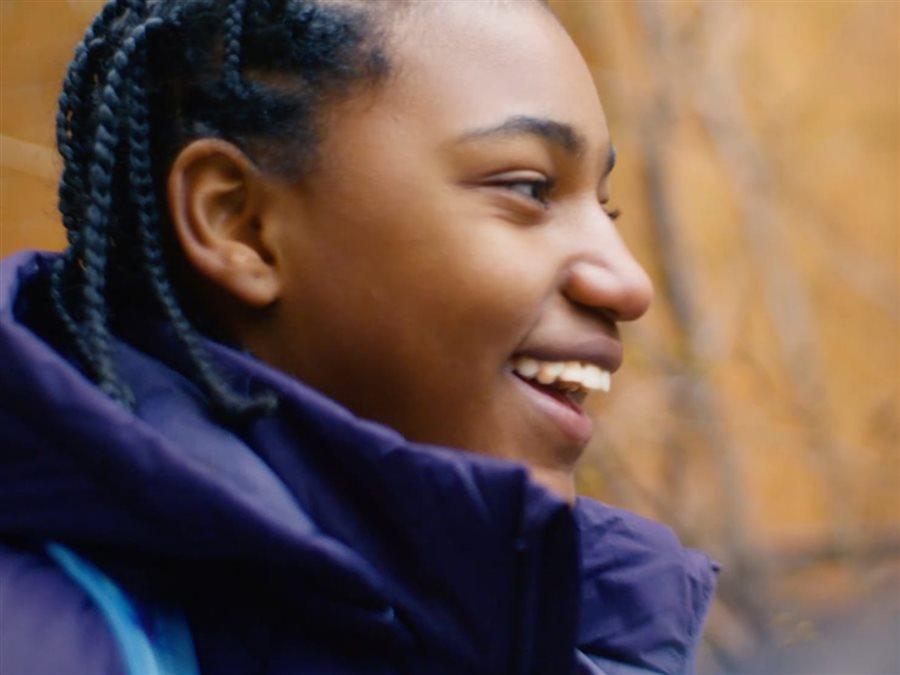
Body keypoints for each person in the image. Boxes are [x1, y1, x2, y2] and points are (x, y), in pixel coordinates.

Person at [0, 0, 718, 673]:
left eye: (605, 205)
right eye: (528, 188)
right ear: (240, 224)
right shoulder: (49, 638)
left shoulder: (567, 623)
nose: (628, 283)